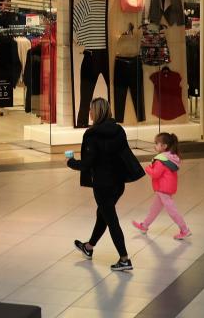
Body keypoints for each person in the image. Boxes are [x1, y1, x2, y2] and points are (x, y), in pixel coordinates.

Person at [67, 97, 142, 272]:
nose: (90, 113)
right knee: (103, 213)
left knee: (111, 219)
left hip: (103, 184)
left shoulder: (92, 135)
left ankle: (124, 259)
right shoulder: (118, 130)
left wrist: (71, 162)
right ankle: (89, 246)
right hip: (118, 183)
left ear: (97, 112)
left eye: (91, 110)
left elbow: (87, 163)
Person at [133, 133, 191, 240]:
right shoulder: (170, 157)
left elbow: (155, 174)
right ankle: (144, 226)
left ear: (164, 146)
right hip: (165, 188)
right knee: (154, 209)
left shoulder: (161, 160)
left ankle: (184, 230)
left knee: (172, 210)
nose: (155, 146)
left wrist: (148, 168)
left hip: (162, 189)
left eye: (156, 143)